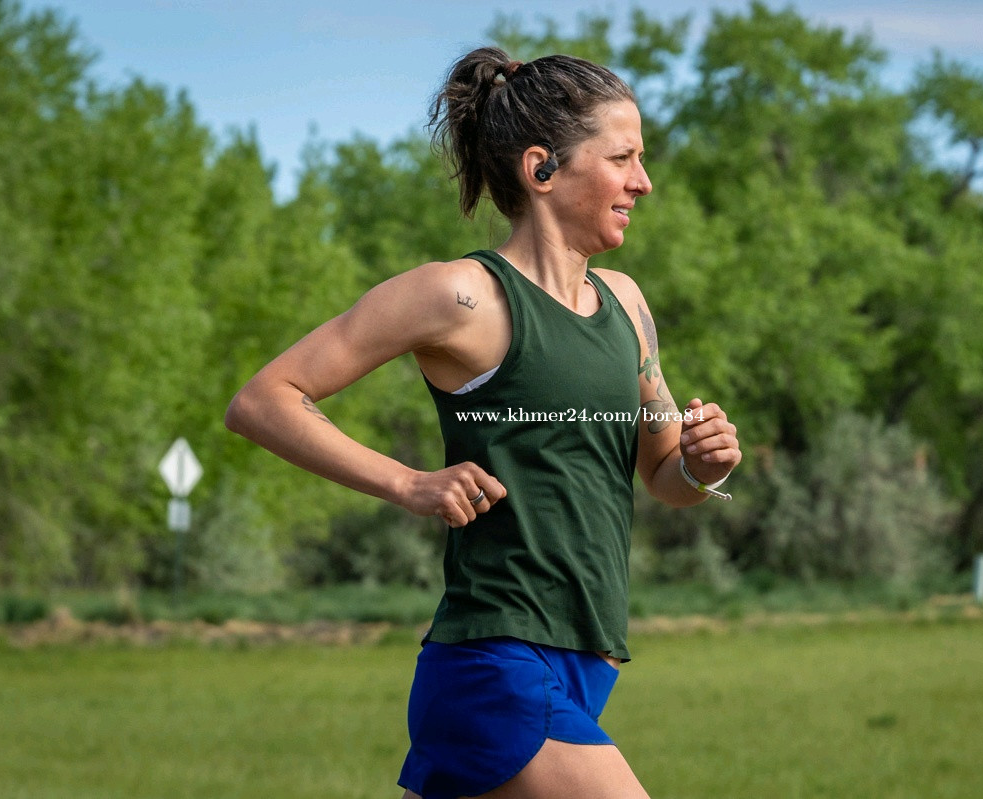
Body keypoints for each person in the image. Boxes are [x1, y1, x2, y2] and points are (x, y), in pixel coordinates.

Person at [225, 46, 741, 799]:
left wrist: (703, 463)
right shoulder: (462, 296)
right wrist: (409, 483)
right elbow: (265, 398)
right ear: (542, 168)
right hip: (496, 664)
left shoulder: (627, 304)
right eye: (622, 158)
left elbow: (665, 475)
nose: (643, 181)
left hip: (584, 662)